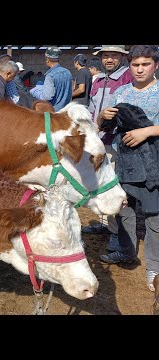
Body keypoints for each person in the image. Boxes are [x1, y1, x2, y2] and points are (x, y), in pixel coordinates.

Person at [96, 45, 159, 293]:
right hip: (125, 161)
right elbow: (105, 126)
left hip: (154, 162)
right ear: (129, 66)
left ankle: (154, 267)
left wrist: (148, 131)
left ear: (155, 65)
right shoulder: (120, 91)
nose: (140, 69)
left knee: (154, 217)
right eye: (135, 65)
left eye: (145, 64)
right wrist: (102, 116)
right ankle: (126, 251)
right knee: (123, 209)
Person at [82, 45, 134, 248]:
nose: (109, 59)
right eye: (106, 56)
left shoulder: (127, 78)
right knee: (100, 184)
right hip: (99, 140)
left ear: (122, 57)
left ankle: (116, 235)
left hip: (116, 142)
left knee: (113, 186)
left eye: (114, 55)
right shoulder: (99, 80)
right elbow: (93, 109)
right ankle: (105, 224)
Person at [32, 46, 72, 111]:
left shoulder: (50, 76)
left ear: (47, 60)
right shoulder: (68, 72)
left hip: (54, 113)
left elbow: (47, 97)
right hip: (66, 111)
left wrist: (35, 91)